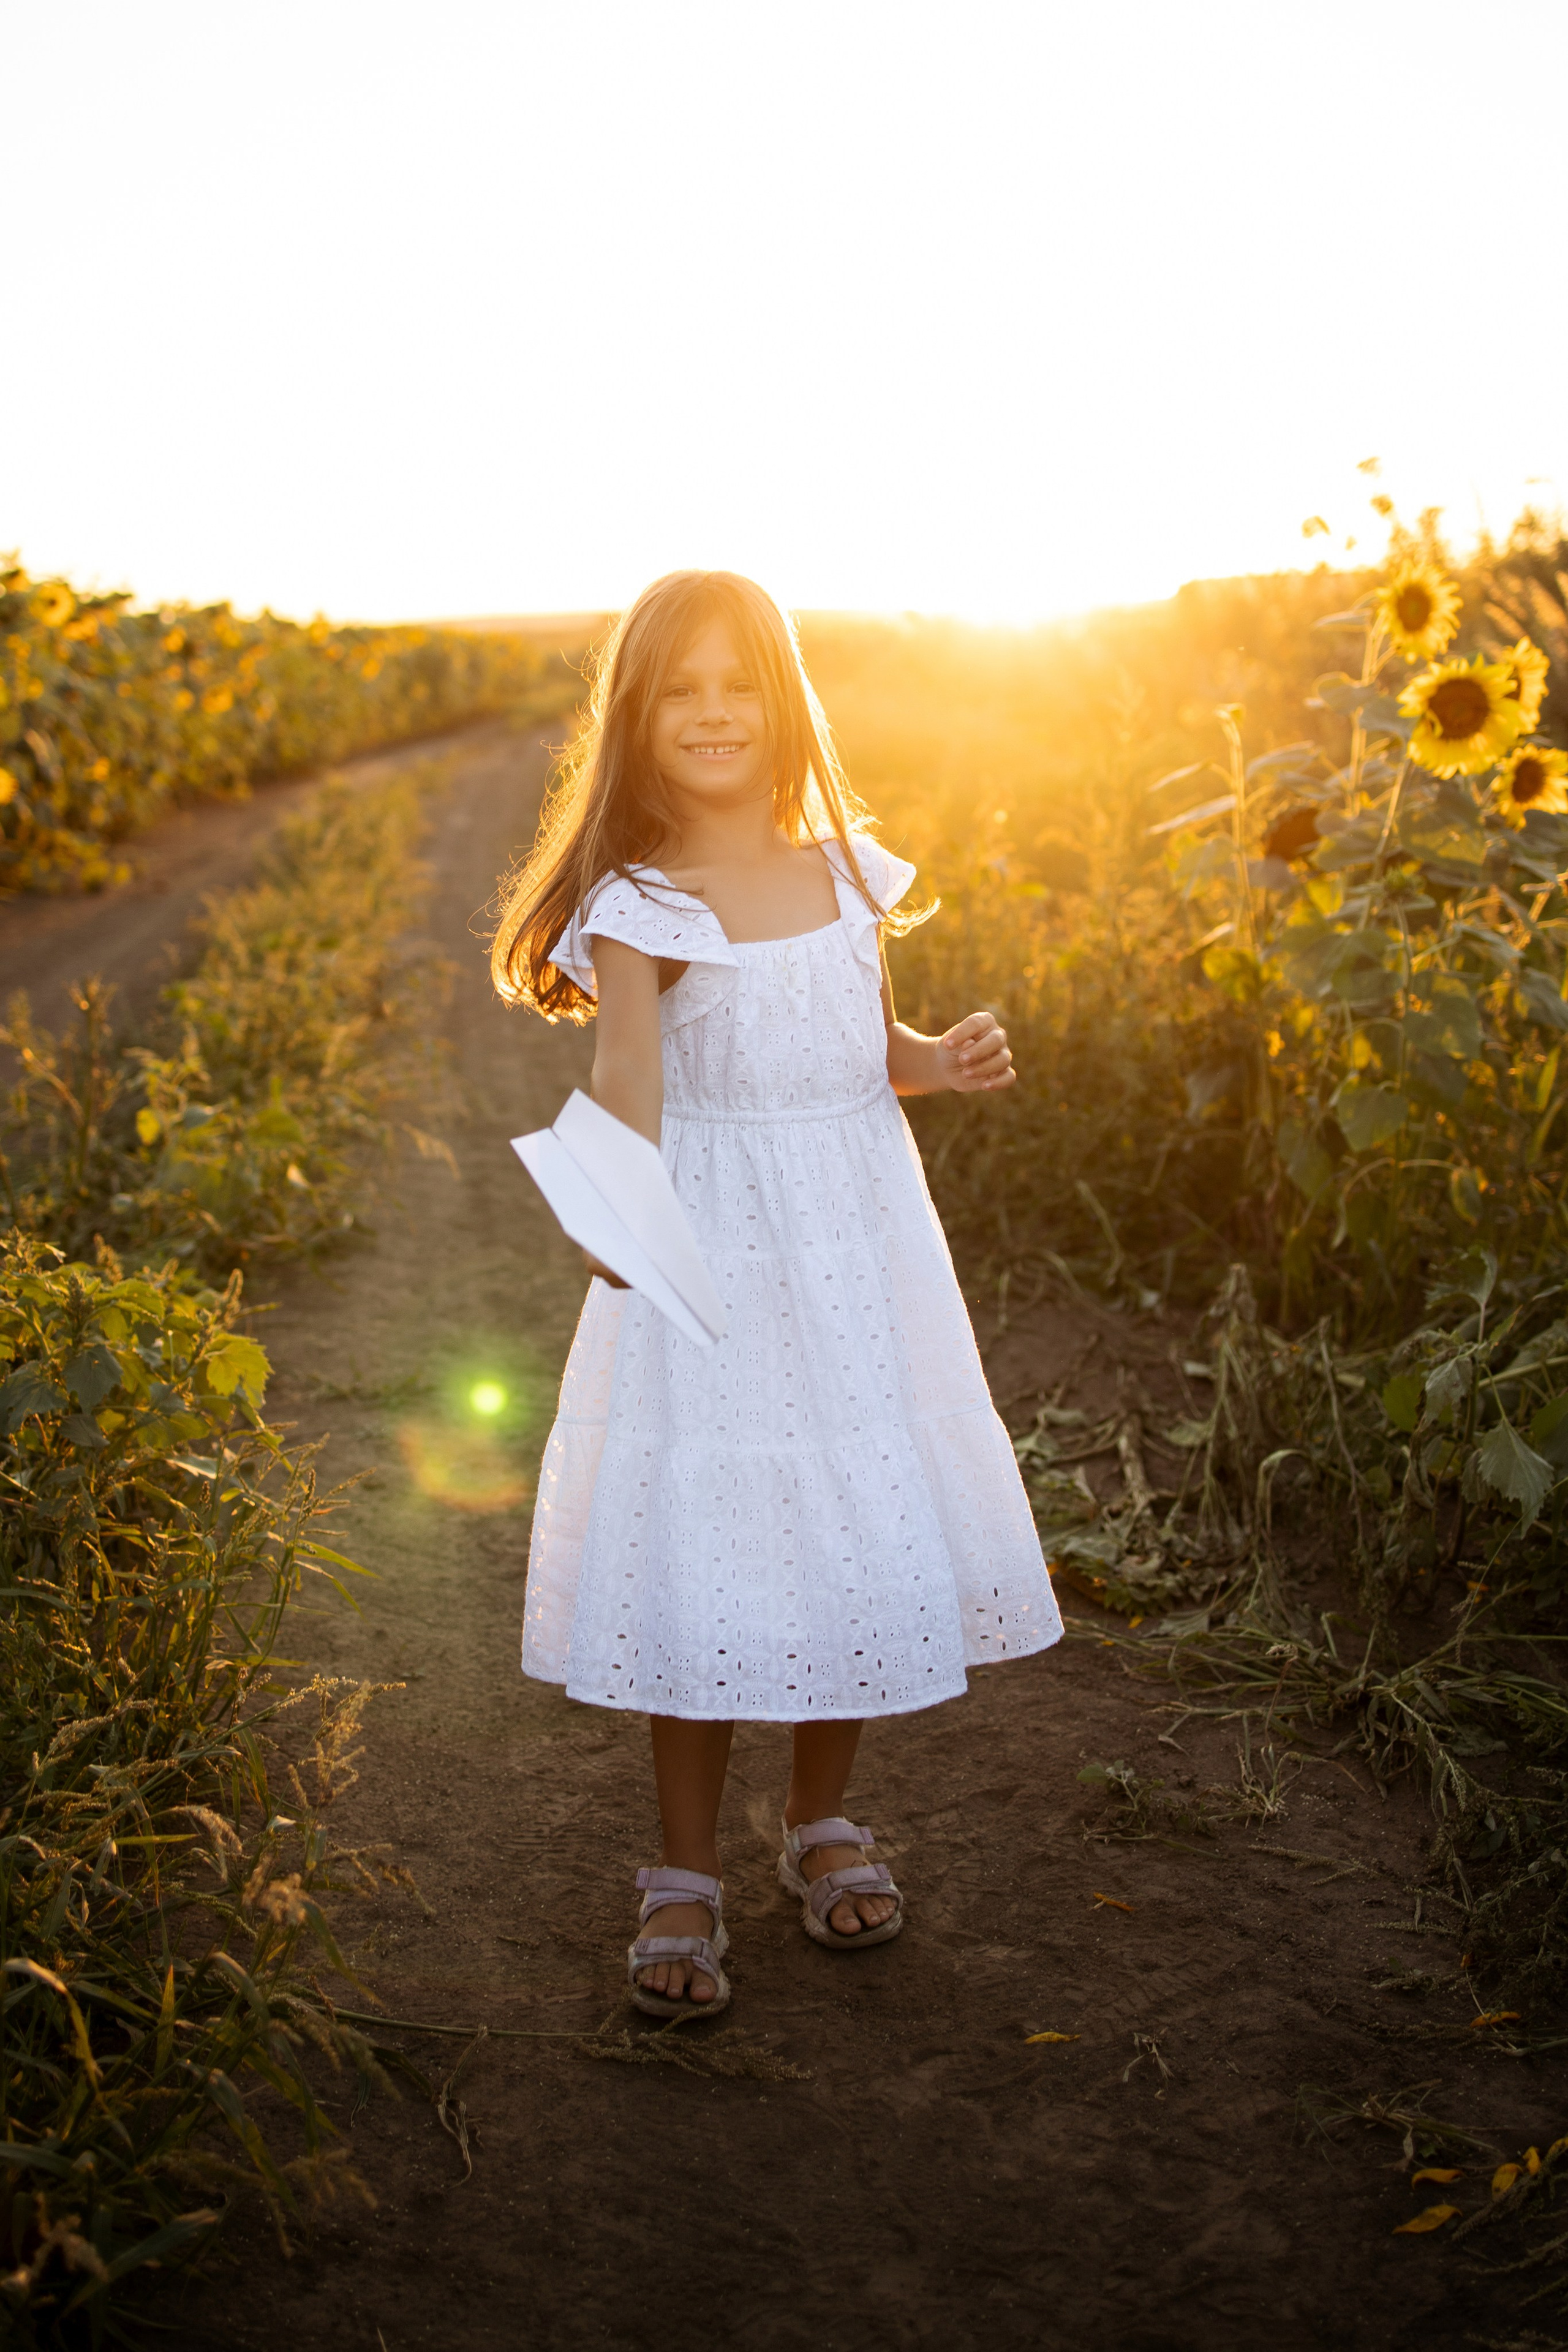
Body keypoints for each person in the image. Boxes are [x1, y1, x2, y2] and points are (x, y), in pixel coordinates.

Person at [491, 570, 1060, 2015]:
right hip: (715, 1261)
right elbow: (625, 1088)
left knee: (848, 1521)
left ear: (784, 702)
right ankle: (683, 1870)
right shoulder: (638, 906)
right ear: (635, 718)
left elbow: (871, 1046)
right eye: (676, 689)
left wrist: (945, 1061)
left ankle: (820, 1821)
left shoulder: (851, 873)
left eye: (736, 684)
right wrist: (614, 1206)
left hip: (856, 1252)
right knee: (711, 1535)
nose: (711, 714)